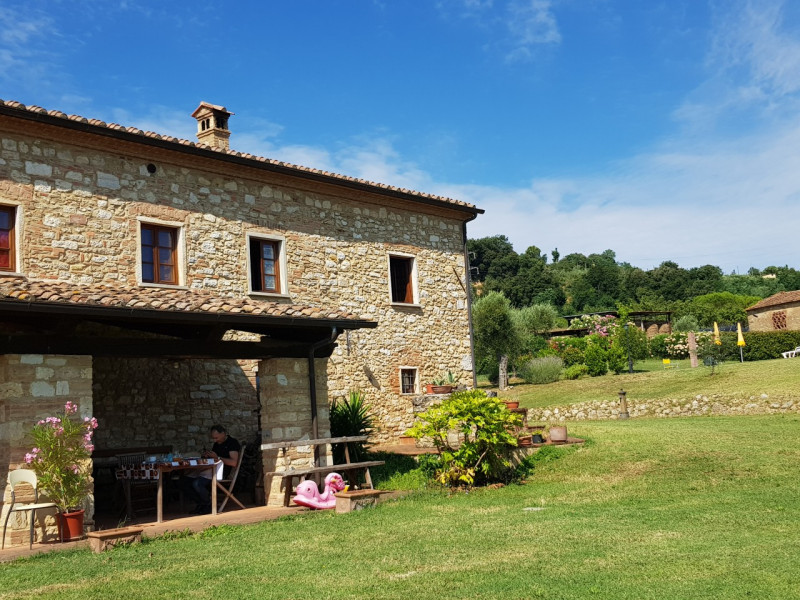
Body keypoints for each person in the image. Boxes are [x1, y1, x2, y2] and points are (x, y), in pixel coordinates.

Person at [183, 424, 240, 514]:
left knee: (197, 484)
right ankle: (201, 503)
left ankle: (208, 504)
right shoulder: (217, 444)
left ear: (223, 433)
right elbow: (214, 459)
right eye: (213, 438)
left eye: (216, 438)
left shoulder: (232, 443)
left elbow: (234, 462)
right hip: (211, 469)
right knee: (184, 481)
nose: (215, 440)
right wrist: (208, 456)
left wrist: (217, 458)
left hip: (221, 471)